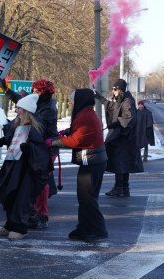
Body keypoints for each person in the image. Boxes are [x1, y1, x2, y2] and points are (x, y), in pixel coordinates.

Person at [50, 89, 107, 241]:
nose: (72, 102)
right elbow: (81, 133)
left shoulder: (85, 116)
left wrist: (54, 142)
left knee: (88, 198)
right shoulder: (86, 113)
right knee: (84, 197)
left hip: (91, 161)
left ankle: (98, 230)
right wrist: (68, 131)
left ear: (80, 100)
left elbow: (77, 140)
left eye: (74, 99)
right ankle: (85, 228)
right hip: (92, 159)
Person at [0, 94, 49, 241]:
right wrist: (3, 141)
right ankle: (10, 224)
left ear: (27, 110)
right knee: (9, 194)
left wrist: (29, 149)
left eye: (20, 108)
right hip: (13, 166)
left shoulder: (35, 128)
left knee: (21, 198)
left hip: (26, 169)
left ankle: (20, 228)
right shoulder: (19, 124)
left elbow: (41, 150)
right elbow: (13, 139)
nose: (17, 111)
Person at [28, 79, 58, 229]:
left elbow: (38, 125)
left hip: (47, 148)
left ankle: (42, 215)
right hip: (37, 146)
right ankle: (32, 212)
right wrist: (7, 91)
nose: (34, 93)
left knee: (42, 182)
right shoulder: (38, 103)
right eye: (33, 90)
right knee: (33, 180)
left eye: (38, 91)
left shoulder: (49, 108)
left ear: (45, 93)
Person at [104, 79, 142, 197]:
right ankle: (124, 188)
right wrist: (100, 98)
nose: (113, 91)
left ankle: (119, 187)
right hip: (124, 139)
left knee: (120, 163)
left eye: (115, 89)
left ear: (120, 90)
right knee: (123, 164)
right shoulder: (123, 100)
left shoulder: (127, 101)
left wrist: (117, 123)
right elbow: (112, 107)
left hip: (124, 139)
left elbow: (130, 117)